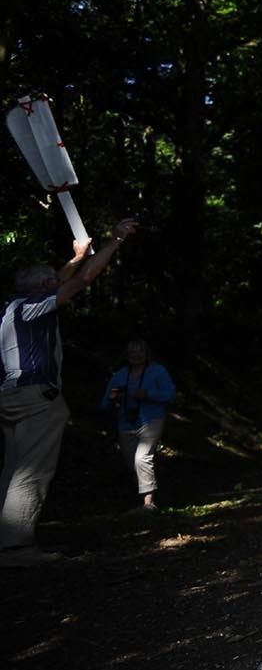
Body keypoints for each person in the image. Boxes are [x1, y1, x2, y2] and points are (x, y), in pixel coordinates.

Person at [1, 218, 139, 565]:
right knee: (32, 470)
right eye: (51, 282)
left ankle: (6, 541)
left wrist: (77, 256)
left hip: (9, 396)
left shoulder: (12, 307)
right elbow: (81, 281)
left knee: (12, 468)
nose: (56, 283)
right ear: (44, 287)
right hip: (35, 397)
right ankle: (16, 548)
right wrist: (115, 241)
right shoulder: (34, 308)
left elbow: (62, 280)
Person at [100, 338, 175, 510]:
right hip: (126, 423)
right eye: (132, 352)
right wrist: (112, 398)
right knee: (131, 461)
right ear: (126, 356)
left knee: (142, 458)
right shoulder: (120, 375)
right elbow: (106, 402)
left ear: (147, 354)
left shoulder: (158, 371)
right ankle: (146, 489)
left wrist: (148, 394)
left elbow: (170, 395)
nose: (136, 355)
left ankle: (148, 503)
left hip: (151, 419)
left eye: (140, 351)